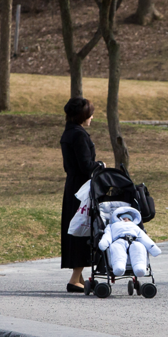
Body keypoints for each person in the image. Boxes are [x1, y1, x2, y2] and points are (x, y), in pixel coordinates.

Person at [61, 97, 99, 292]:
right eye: (89, 113)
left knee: (74, 227)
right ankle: (74, 279)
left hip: (72, 186)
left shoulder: (68, 132)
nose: (92, 117)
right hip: (82, 188)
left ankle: (80, 277)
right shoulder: (79, 135)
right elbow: (86, 165)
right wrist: (100, 166)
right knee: (82, 229)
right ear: (82, 116)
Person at [98, 205, 161, 278]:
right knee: (117, 249)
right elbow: (107, 235)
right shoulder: (112, 226)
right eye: (124, 218)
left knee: (139, 247)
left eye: (129, 219)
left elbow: (144, 238)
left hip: (134, 241)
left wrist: (153, 248)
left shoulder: (135, 227)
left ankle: (139, 268)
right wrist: (104, 243)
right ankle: (119, 266)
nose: (126, 220)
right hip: (118, 241)